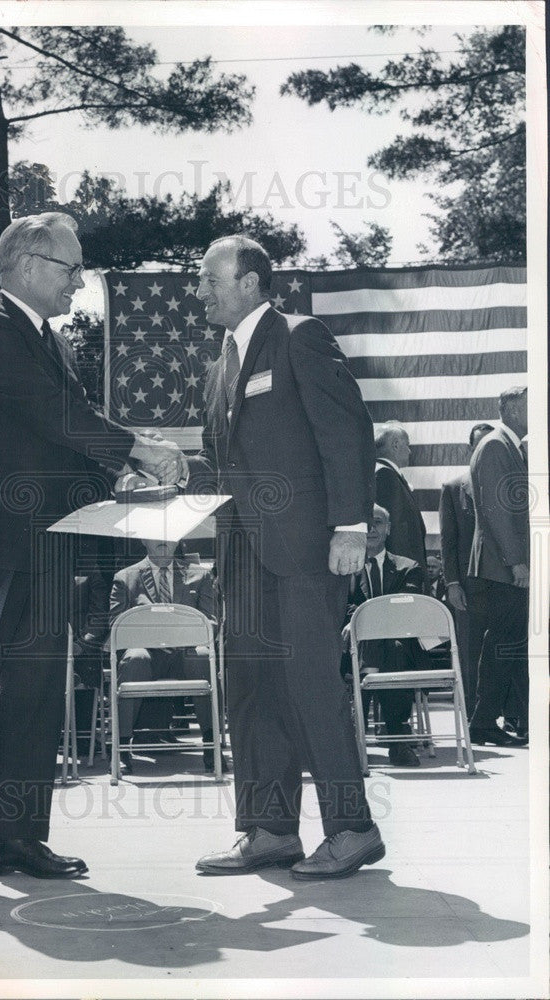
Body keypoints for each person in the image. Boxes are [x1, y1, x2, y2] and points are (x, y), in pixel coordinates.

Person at [0, 211, 183, 894]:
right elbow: (57, 418)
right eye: (71, 266)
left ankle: (14, 838)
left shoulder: (48, 342)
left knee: (34, 695)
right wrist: (140, 446)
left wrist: (126, 486)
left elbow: (61, 444)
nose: (79, 280)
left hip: (46, 546)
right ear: (28, 263)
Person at [182, 235, 383, 880]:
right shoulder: (219, 366)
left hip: (303, 552)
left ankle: (352, 828)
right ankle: (269, 829)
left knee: (311, 688)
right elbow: (228, 467)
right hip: (241, 558)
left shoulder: (300, 337)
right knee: (252, 690)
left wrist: (350, 526)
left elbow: (347, 430)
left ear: (249, 281)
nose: (200, 289)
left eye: (210, 278)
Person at [108, 539, 220, 775]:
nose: (162, 541)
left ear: (177, 540)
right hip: (147, 653)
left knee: (201, 656)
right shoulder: (126, 577)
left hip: (184, 652)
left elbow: (210, 622)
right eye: (155, 535)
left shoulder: (200, 575)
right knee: (134, 659)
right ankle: (122, 748)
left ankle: (212, 744)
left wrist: (178, 631)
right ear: (143, 541)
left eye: (168, 535)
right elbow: (116, 626)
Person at [467, 387, 529, 747]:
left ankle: (490, 718)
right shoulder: (494, 446)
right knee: (502, 643)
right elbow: (497, 511)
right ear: (515, 410)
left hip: (504, 563)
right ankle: (483, 720)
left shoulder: (507, 447)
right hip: (502, 564)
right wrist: (516, 561)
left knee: (507, 642)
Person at [342, 505, 427, 768]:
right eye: (366, 523)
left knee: (394, 646)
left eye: (377, 522)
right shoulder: (343, 566)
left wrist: (362, 618)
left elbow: (405, 607)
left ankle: (357, 738)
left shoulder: (408, 567)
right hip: (351, 649)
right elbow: (337, 607)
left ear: (388, 529)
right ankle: (398, 738)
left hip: (393, 645)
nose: (372, 529)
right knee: (382, 647)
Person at [438, 423, 495, 709]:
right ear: (470, 449)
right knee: (471, 650)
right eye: (479, 445)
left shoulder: (511, 485)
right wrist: (452, 583)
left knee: (506, 650)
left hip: (507, 585)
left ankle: (511, 714)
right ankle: (473, 713)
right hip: (469, 587)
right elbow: (448, 542)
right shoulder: (453, 488)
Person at [374, 422, 427, 580]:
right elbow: (394, 532)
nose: (410, 451)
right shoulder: (385, 476)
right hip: (401, 576)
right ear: (395, 444)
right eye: (408, 445)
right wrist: (407, 575)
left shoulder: (388, 476)